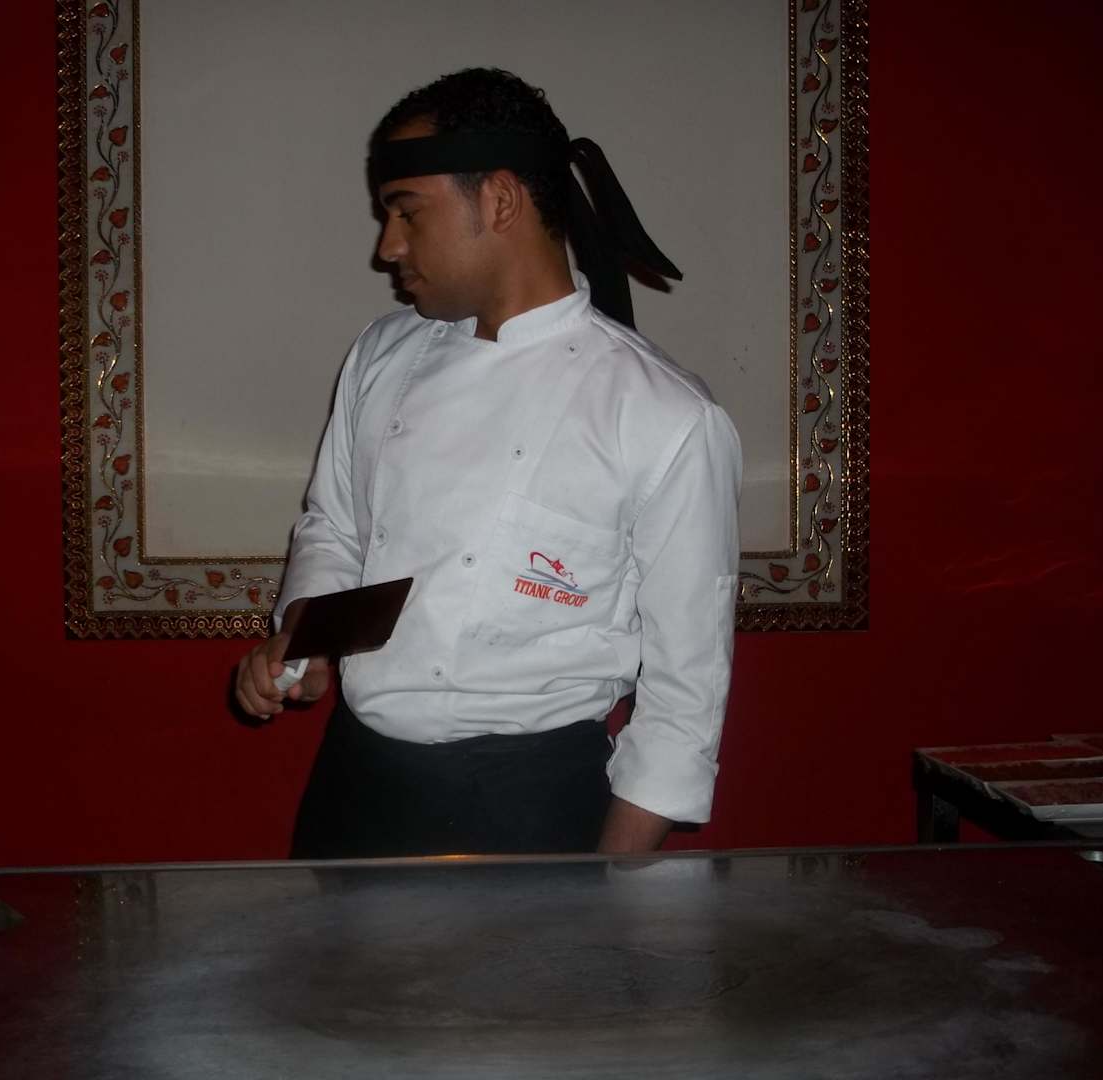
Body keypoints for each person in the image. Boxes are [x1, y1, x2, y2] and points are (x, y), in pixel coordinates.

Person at [235, 68, 741, 858]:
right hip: (354, 785)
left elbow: (684, 700)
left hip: (533, 807)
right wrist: (301, 642)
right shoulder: (382, 354)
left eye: (407, 212)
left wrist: (607, 894)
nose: (387, 247)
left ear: (500, 200)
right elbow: (334, 528)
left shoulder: (665, 416)